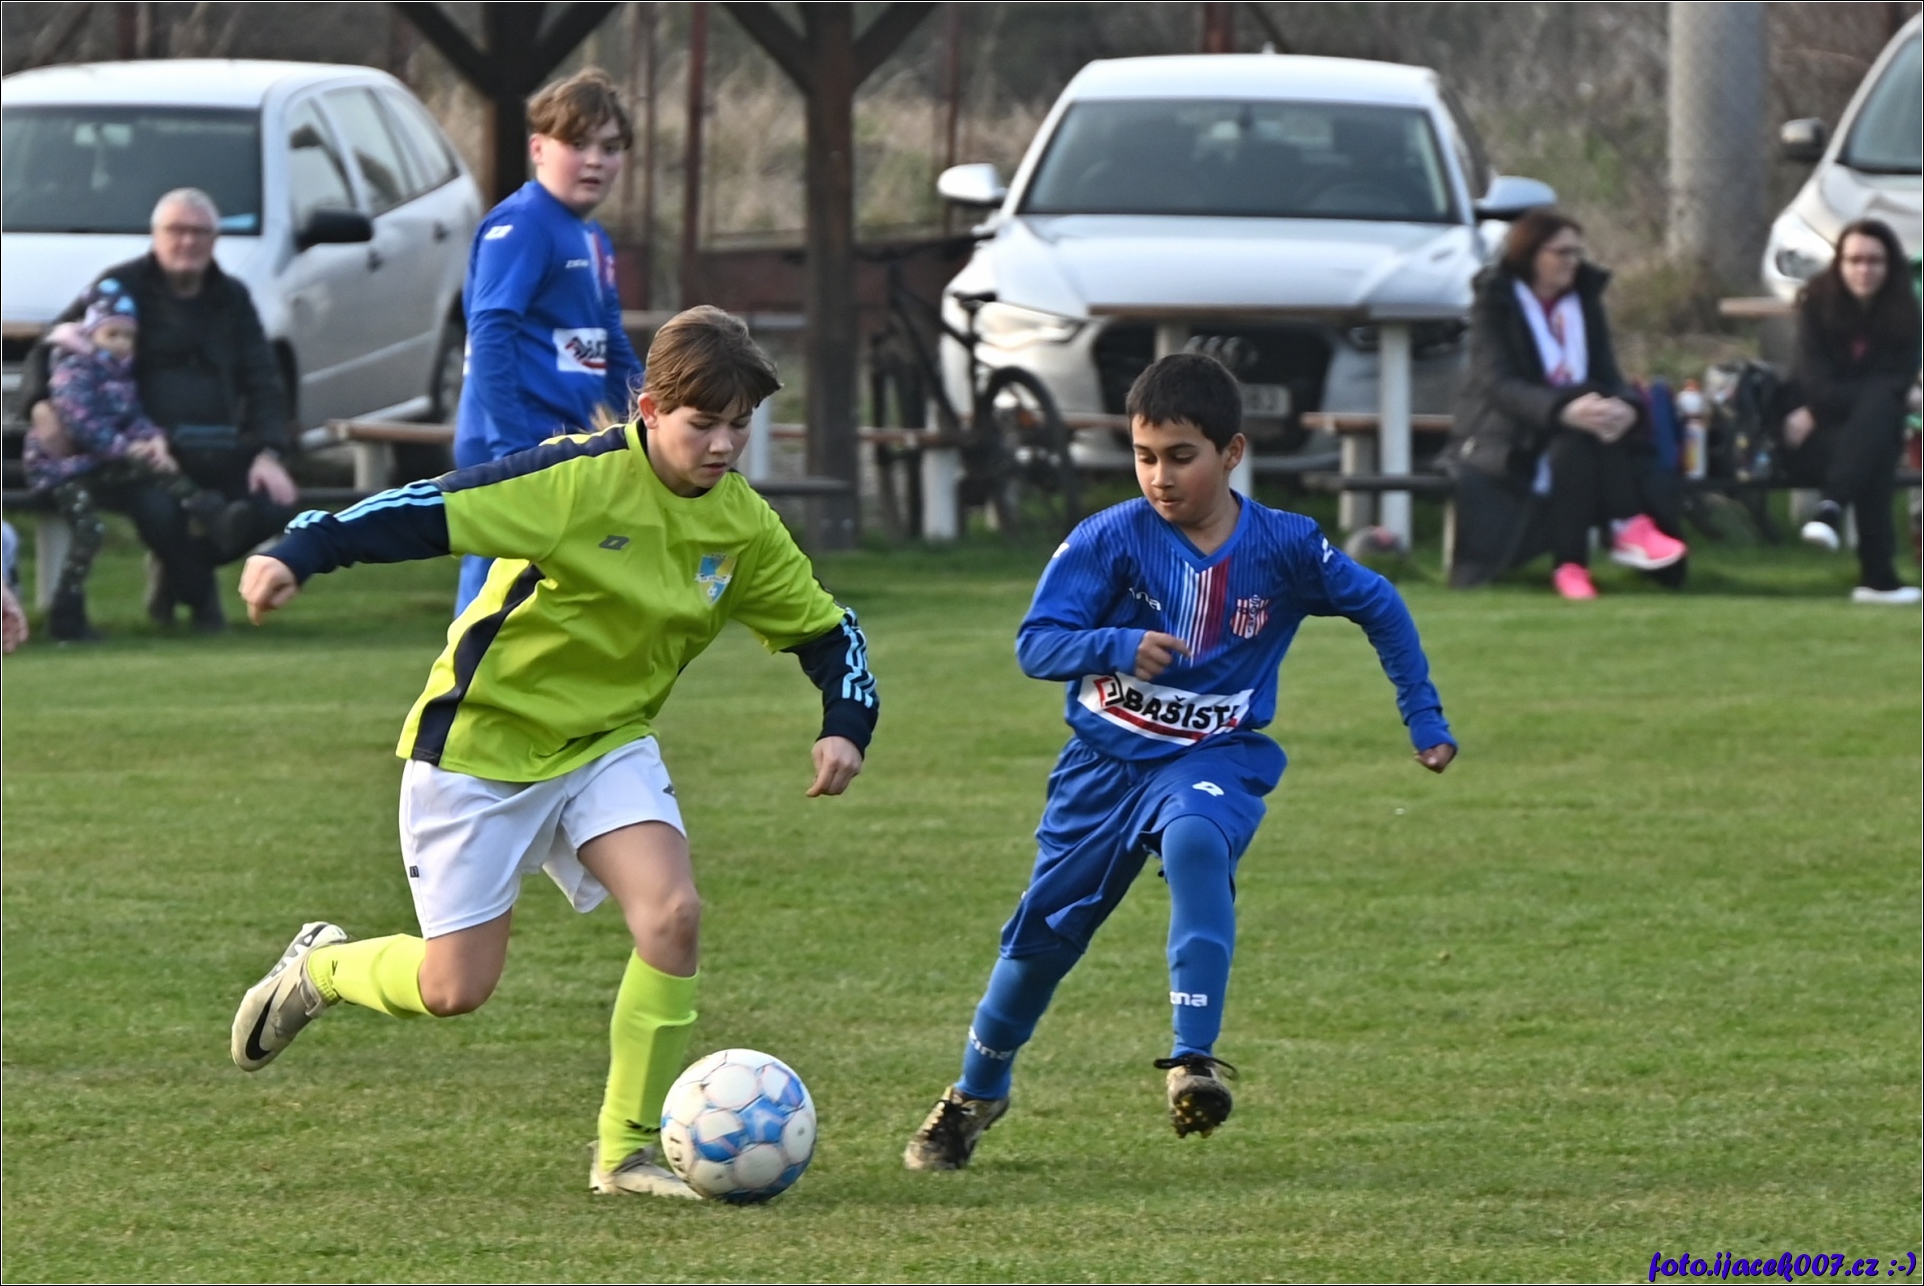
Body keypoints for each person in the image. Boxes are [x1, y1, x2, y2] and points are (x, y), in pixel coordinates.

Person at [226, 307, 878, 1200]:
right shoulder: (574, 481)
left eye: (741, 425)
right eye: (704, 424)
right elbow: (428, 509)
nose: (725, 445)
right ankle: (320, 969)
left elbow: (828, 631)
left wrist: (845, 722)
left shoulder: (743, 527)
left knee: (673, 913)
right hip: (483, 744)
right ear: (650, 409)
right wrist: (301, 548)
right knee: (455, 988)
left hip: (605, 743)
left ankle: (625, 1154)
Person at [902, 353, 1455, 1169]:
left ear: (1232, 453)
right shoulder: (1111, 538)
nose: (1160, 477)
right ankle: (975, 1095)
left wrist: (1423, 715)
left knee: (1196, 837)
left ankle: (1193, 1059)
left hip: (1214, 756)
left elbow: (1382, 604)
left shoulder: (1286, 546)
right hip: (1100, 771)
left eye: (1181, 457)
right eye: (1145, 456)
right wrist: (1116, 643)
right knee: (1037, 950)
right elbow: (1036, 644)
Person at [20, 187, 298, 631]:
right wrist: (40, 406)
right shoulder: (119, 286)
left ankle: (182, 576)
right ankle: (202, 604)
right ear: (156, 235)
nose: (187, 241)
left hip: (220, 447)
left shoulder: (233, 297)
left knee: (275, 504)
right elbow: (51, 346)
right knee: (159, 511)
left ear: (214, 240)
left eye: (199, 232)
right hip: (143, 452)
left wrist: (269, 452)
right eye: (176, 230)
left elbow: (264, 379)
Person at [454, 68, 644, 614]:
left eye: (610, 148)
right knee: (496, 601)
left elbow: (608, 342)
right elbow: (490, 334)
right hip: (516, 440)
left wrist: (657, 417)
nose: (595, 161)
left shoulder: (592, 237)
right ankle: (465, 673)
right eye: (578, 144)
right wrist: (511, 450)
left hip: (567, 441)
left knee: (551, 606)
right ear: (538, 148)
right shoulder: (523, 225)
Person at [1447, 209, 1687, 597]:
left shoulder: (1584, 301)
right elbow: (1498, 384)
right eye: (1562, 253)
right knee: (1579, 422)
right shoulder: (1495, 304)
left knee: (1581, 433)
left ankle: (1571, 567)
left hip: (1575, 429)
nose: (1572, 262)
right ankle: (1625, 524)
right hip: (1508, 431)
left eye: (1577, 252)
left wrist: (1626, 406)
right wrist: (1561, 410)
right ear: (1531, 255)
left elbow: (1608, 374)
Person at [28, 280, 257, 640]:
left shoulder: (119, 375)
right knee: (91, 529)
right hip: (60, 471)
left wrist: (152, 439)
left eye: (128, 337)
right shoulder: (74, 370)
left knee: (149, 467)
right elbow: (82, 424)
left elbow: (133, 416)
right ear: (92, 333)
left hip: (96, 466)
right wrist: (126, 448)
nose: (121, 343)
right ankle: (66, 614)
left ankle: (211, 513)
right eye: (112, 334)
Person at [1782, 218, 1923, 606]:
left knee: (1878, 427)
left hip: (1852, 437)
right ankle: (1878, 578)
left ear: (1890, 265)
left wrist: (1825, 407)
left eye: (1874, 261)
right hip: (1808, 440)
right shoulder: (1815, 307)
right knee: (1881, 414)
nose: (1864, 270)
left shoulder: (1905, 314)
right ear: (1839, 263)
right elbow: (1816, 384)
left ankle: (1831, 509)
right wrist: (1821, 409)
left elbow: (1899, 378)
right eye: (1855, 260)